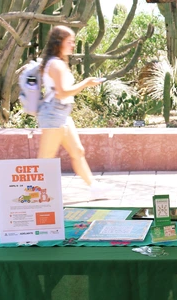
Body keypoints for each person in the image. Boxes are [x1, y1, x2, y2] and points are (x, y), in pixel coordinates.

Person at [36, 25, 109, 199]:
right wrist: (85, 83)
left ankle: (94, 188)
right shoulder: (56, 64)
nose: (73, 45)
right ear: (59, 43)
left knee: (77, 151)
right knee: (45, 159)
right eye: (70, 42)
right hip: (54, 113)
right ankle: (36, 194)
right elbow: (62, 92)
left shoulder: (57, 63)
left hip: (61, 113)